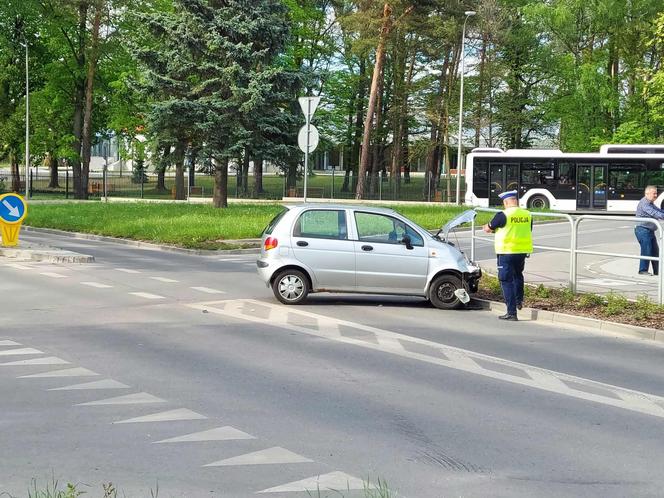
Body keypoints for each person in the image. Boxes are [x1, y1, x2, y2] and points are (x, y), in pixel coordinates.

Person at [483, 190, 533, 321]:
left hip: (506, 252)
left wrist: (486, 228)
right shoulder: (527, 214)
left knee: (505, 280)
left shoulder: (502, 215)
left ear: (505, 202)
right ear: (516, 201)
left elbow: (489, 228)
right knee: (518, 275)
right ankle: (518, 301)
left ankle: (511, 313)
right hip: (522, 252)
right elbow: (527, 229)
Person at [635, 185, 664, 276]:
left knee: (655, 252)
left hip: (649, 230)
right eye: (654, 193)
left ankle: (658, 272)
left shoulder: (650, 203)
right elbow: (655, 213)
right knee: (646, 250)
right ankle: (643, 270)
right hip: (643, 230)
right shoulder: (645, 204)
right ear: (647, 193)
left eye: (656, 193)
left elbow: (659, 211)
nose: (655, 195)